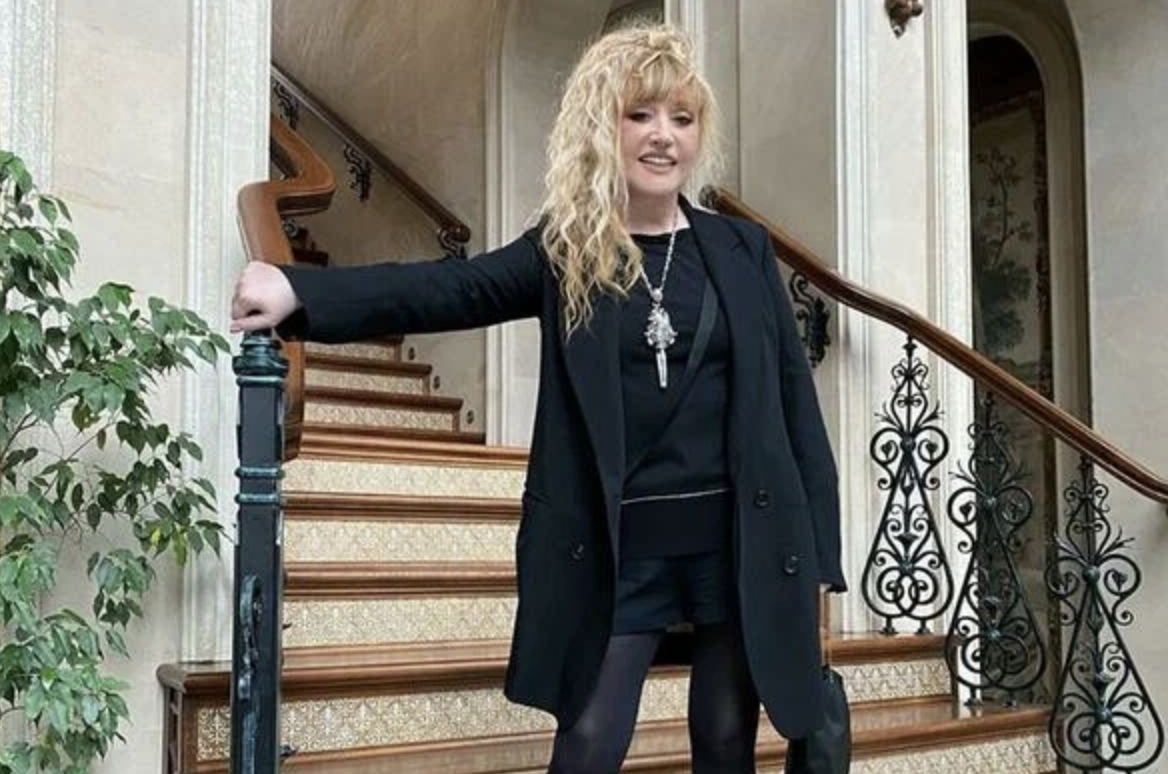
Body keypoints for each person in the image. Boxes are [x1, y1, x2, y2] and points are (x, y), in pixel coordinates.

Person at [231, 24, 845, 774]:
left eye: (681, 119)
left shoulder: (740, 249)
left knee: (725, 739)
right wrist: (300, 290)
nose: (663, 136)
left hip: (738, 538)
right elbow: (449, 289)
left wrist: (820, 555)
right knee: (588, 742)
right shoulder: (566, 250)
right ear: (602, 129)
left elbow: (794, 404)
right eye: (640, 115)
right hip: (619, 548)